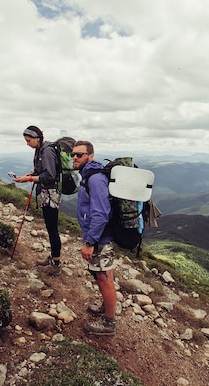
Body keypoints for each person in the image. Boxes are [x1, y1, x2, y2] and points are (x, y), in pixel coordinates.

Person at [72, 140, 117, 335]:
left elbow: (100, 213)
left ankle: (109, 323)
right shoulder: (88, 175)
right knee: (104, 275)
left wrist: (90, 242)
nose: (74, 157)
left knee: (103, 278)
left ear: (90, 156)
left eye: (79, 155)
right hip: (97, 235)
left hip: (100, 237)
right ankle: (105, 309)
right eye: (73, 154)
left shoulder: (95, 179)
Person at [13, 125, 63, 276]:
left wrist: (29, 178)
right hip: (46, 192)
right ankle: (53, 258)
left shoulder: (47, 151)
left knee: (52, 228)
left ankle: (56, 263)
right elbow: (43, 172)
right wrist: (32, 174)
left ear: (37, 138)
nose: (27, 144)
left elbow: (50, 176)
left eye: (28, 141)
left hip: (51, 194)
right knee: (50, 227)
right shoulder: (40, 149)